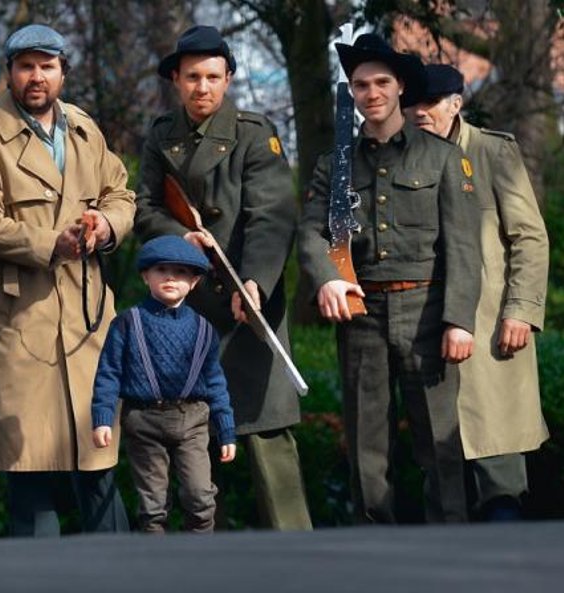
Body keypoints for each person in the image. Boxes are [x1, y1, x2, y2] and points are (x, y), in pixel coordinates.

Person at [297, 34, 482, 523]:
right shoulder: (335, 165)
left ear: (400, 86)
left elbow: (464, 247)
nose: (371, 92)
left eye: (381, 81)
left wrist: (458, 319)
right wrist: (327, 279)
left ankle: (452, 553)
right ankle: (375, 555)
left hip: (426, 313)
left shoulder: (442, 158)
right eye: (360, 84)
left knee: (440, 447)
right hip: (362, 315)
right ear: (352, 92)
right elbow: (312, 233)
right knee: (366, 451)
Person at [134, 25, 312, 530]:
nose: (202, 87)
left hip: (249, 305)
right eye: (192, 77)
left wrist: (254, 282)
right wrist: (177, 239)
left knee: (266, 439)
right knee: (191, 446)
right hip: (185, 313)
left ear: (229, 78)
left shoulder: (255, 133)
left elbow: (273, 216)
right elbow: (145, 206)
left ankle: (298, 562)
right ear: (176, 79)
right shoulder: (160, 135)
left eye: (213, 76)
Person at [0, 24, 135, 537]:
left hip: (89, 321)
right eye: (26, 66)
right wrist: (50, 245)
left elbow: (121, 193)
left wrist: (107, 224)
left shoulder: (86, 130)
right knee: (31, 472)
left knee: (99, 466)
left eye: (47, 66)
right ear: (9, 73)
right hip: (22, 318)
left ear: (63, 71)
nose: (37, 76)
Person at [404, 64, 550, 521]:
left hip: (491, 330)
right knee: (441, 476)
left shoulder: (492, 152)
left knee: (499, 468)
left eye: (430, 104)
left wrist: (521, 311)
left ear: (456, 103)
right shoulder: (403, 157)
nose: (420, 113)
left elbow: (529, 236)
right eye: (413, 105)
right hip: (426, 331)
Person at [92, 235, 236, 533]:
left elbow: (215, 382)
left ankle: (198, 558)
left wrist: (226, 430)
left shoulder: (203, 329)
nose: (171, 277)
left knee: (200, 497)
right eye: (161, 270)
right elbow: (109, 372)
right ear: (146, 276)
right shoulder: (127, 322)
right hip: (143, 421)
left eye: (181, 272)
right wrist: (103, 418)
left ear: (194, 282)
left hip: (193, 419)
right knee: (152, 505)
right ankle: (155, 565)